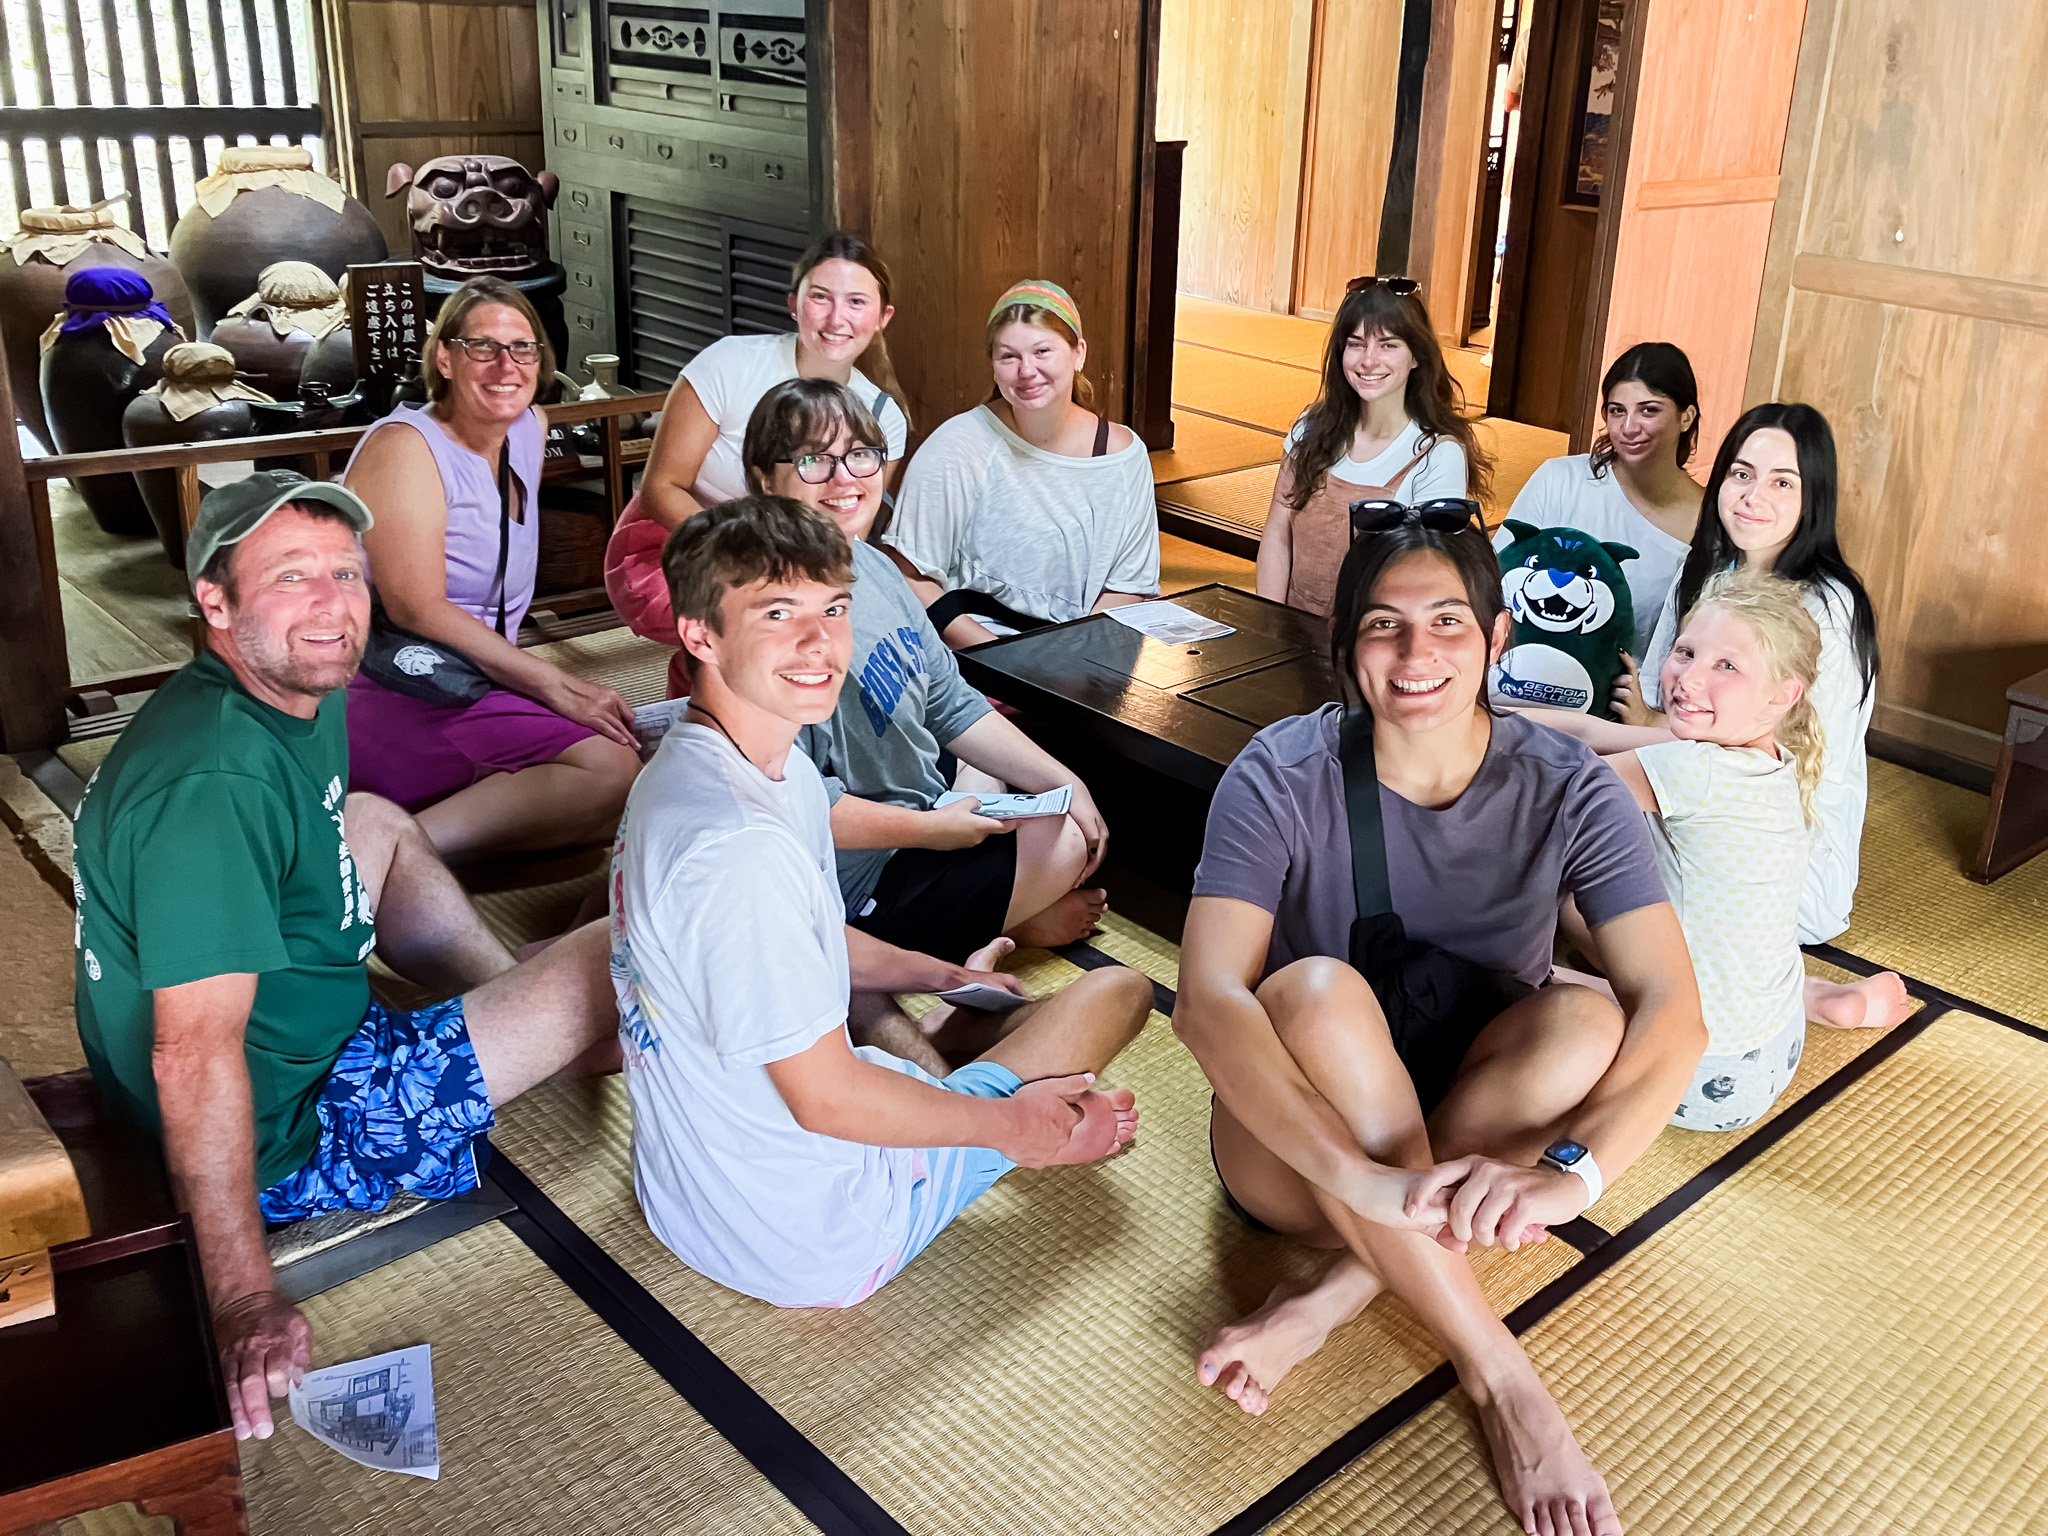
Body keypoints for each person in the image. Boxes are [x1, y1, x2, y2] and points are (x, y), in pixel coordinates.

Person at [1174, 509, 1706, 1536]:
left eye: (1447, 623)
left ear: (1496, 637)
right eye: (1381, 625)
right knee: (1318, 995)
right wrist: (1362, 1179)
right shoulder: (1280, 772)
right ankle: (1504, 1381)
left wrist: (1571, 1176)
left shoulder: (1567, 787)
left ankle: (1328, 1299)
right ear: (1343, 645)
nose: (1415, 654)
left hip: (1462, 1134)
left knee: (1589, 1023)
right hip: (1301, 1152)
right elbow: (1204, 1003)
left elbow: (1672, 1014)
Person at [70, 472, 624, 1444]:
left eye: (345, 573)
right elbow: (191, 1058)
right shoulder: (211, 786)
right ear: (216, 602)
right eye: (291, 578)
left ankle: (516, 1013)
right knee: (611, 951)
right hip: (293, 1133)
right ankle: (545, 1021)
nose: (332, 606)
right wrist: (243, 1296)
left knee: (368, 819)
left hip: (297, 1028)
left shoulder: (282, 687)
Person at [609, 494, 1153, 1308]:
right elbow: (826, 1098)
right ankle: (946, 1071)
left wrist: (937, 976)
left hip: (692, 1190)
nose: (819, 644)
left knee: (987, 1002)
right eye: (777, 613)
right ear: (701, 636)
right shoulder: (740, 851)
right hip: (816, 1232)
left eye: (833, 609)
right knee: (1123, 991)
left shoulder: (727, 767)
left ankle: (931, 1044)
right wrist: (1022, 1131)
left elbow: (815, 936)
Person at [735, 380, 1109, 1003]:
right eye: (812, 461)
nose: (843, 478)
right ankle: (970, 934)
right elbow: (794, 813)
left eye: (860, 454)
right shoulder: (768, 622)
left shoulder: (874, 566)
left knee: (1054, 796)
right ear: (764, 479)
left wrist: (1062, 780)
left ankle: (987, 919)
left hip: (921, 806)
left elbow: (949, 701)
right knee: (1063, 840)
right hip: (854, 878)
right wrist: (932, 829)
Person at [1527, 572, 1913, 1132]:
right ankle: (1818, 997)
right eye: (1685, 652)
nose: (1688, 678)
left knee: (1526, 947)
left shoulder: (1696, 768)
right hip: (1772, 1042)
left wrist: (1466, 742)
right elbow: (1588, 733)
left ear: (1783, 695)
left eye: (1726, 666)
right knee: (1627, 921)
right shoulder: (1763, 751)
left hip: (1694, 1073)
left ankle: (1562, 984)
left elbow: (1546, 804)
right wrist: (1484, 717)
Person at [341, 275, 641, 859]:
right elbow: (415, 607)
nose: (506, 365)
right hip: (392, 680)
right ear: (446, 358)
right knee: (610, 772)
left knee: (637, 776)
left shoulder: (529, 428)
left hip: (475, 672)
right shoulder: (406, 446)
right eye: (483, 347)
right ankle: (374, 860)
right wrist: (558, 685)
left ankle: (415, 837)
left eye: (522, 348)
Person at [1617, 403, 1880, 945]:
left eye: (1782, 482)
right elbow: (1657, 703)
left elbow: (1782, 753)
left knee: (1581, 852)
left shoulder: (1828, 608)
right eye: (1741, 474)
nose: (1752, 496)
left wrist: (1645, 733)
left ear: (1813, 498)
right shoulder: (1709, 569)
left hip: (1777, 846)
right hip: (1690, 771)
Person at [605, 230, 909, 694]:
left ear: (882, 317)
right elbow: (660, 487)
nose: (836, 318)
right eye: (820, 298)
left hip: (800, 562)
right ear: (793, 304)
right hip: (682, 539)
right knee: (764, 617)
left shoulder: (884, 416)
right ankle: (699, 694)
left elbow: (850, 527)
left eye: (856, 302)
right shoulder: (730, 363)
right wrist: (757, 555)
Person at [884, 280, 1158, 649]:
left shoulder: (1123, 456)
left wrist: (1074, 659)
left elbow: (1129, 587)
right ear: (994, 367)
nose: (1026, 370)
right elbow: (909, 576)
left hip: (1086, 650)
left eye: (1042, 351)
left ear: (1079, 353)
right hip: (976, 651)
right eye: (1008, 356)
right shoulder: (958, 445)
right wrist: (1003, 657)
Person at [1256, 276, 1492, 618]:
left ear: (1416, 357)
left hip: (1375, 643)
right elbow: (1278, 533)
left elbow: (1424, 578)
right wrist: (1269, 624)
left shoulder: (1437, 454)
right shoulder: (1311, 427)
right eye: (1356, 343)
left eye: (1388, 345)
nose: (1368, 360)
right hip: (1294, 632)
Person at [1500, 341, 1703, 667]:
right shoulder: (1560, 480)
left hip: (1626, 702)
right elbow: (1499, 582)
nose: (1628, 428)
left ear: (1686, 417)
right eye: (1617, 410)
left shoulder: (1709, 520)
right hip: (1522, 679)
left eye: (1649, 410)